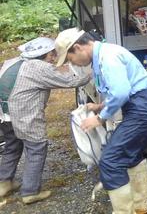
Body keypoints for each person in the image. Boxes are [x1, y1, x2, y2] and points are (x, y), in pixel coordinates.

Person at [55, 28, 147, 214]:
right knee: (131, 156)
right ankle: (140, 208)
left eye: (70, 59)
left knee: (110, 160)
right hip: (142, 105)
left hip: (142, 107)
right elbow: (121, 88)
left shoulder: (108, 57)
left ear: (78, 47)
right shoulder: (103, 55)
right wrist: (101, 106)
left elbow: (121, 92)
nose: (74, 64)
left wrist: (99, 118)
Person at [0, 37, 91, 204]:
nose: (54, 59)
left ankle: (4, 183)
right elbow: (73, 80)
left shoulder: (13, 61)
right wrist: (94, 69)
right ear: (45, 54)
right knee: (36, 147)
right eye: (52, 55)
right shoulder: (38, 68)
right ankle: (30, 192)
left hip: (5, 115)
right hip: (24, 114)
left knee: (12, 146)